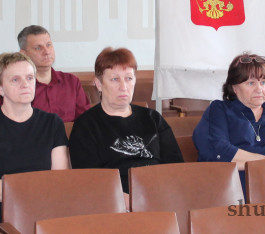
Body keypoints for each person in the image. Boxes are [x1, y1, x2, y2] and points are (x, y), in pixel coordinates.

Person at [0, 52, 69, 225]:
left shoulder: (52, 123)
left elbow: (59, 182)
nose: (25, 84)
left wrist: (14, 186)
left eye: (29, 78)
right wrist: (39, 186)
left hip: (45, 211)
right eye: (15, 80)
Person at [68, 47, 183, 199]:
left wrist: (160, 198)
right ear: (99, 84)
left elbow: (175, 168)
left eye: (129, 78)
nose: (123, 87)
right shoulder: (85, 126)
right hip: (114, 203)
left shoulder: (153, 119)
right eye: (115, 79)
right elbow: (91, 181)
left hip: (159, 196)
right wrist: (134, 203)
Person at [192, 53, 265, 193]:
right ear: (234, 88)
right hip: (230, 192)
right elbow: (218, 153)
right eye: (251, 83)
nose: (259, 89)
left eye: (263, 82)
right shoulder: (219, 110)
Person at [16, 25, 90, 122]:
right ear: (24, 54)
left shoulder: (72, 82)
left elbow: (86, 121)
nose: (46, 51)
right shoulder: (15, 86)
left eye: (48, 45)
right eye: (38, 48)